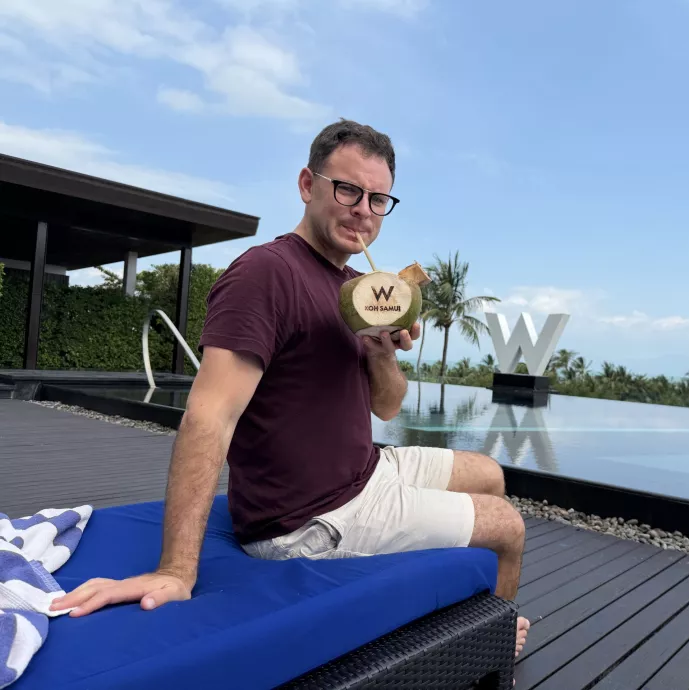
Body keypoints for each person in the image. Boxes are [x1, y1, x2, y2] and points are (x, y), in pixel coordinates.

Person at [50, 118, 529, 657]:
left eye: (378, 199)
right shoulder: (266, 275)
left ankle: (467, 610)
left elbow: (387, 406)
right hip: (311, 517)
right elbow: (210, 416)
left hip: (364, 470)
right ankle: (492, 643)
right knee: (507, 527)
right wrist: (176, 570)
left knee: (489, 473)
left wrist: (380, 352)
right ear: (307, 185)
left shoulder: (356, 289)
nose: (363, 210)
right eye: (347, 190)